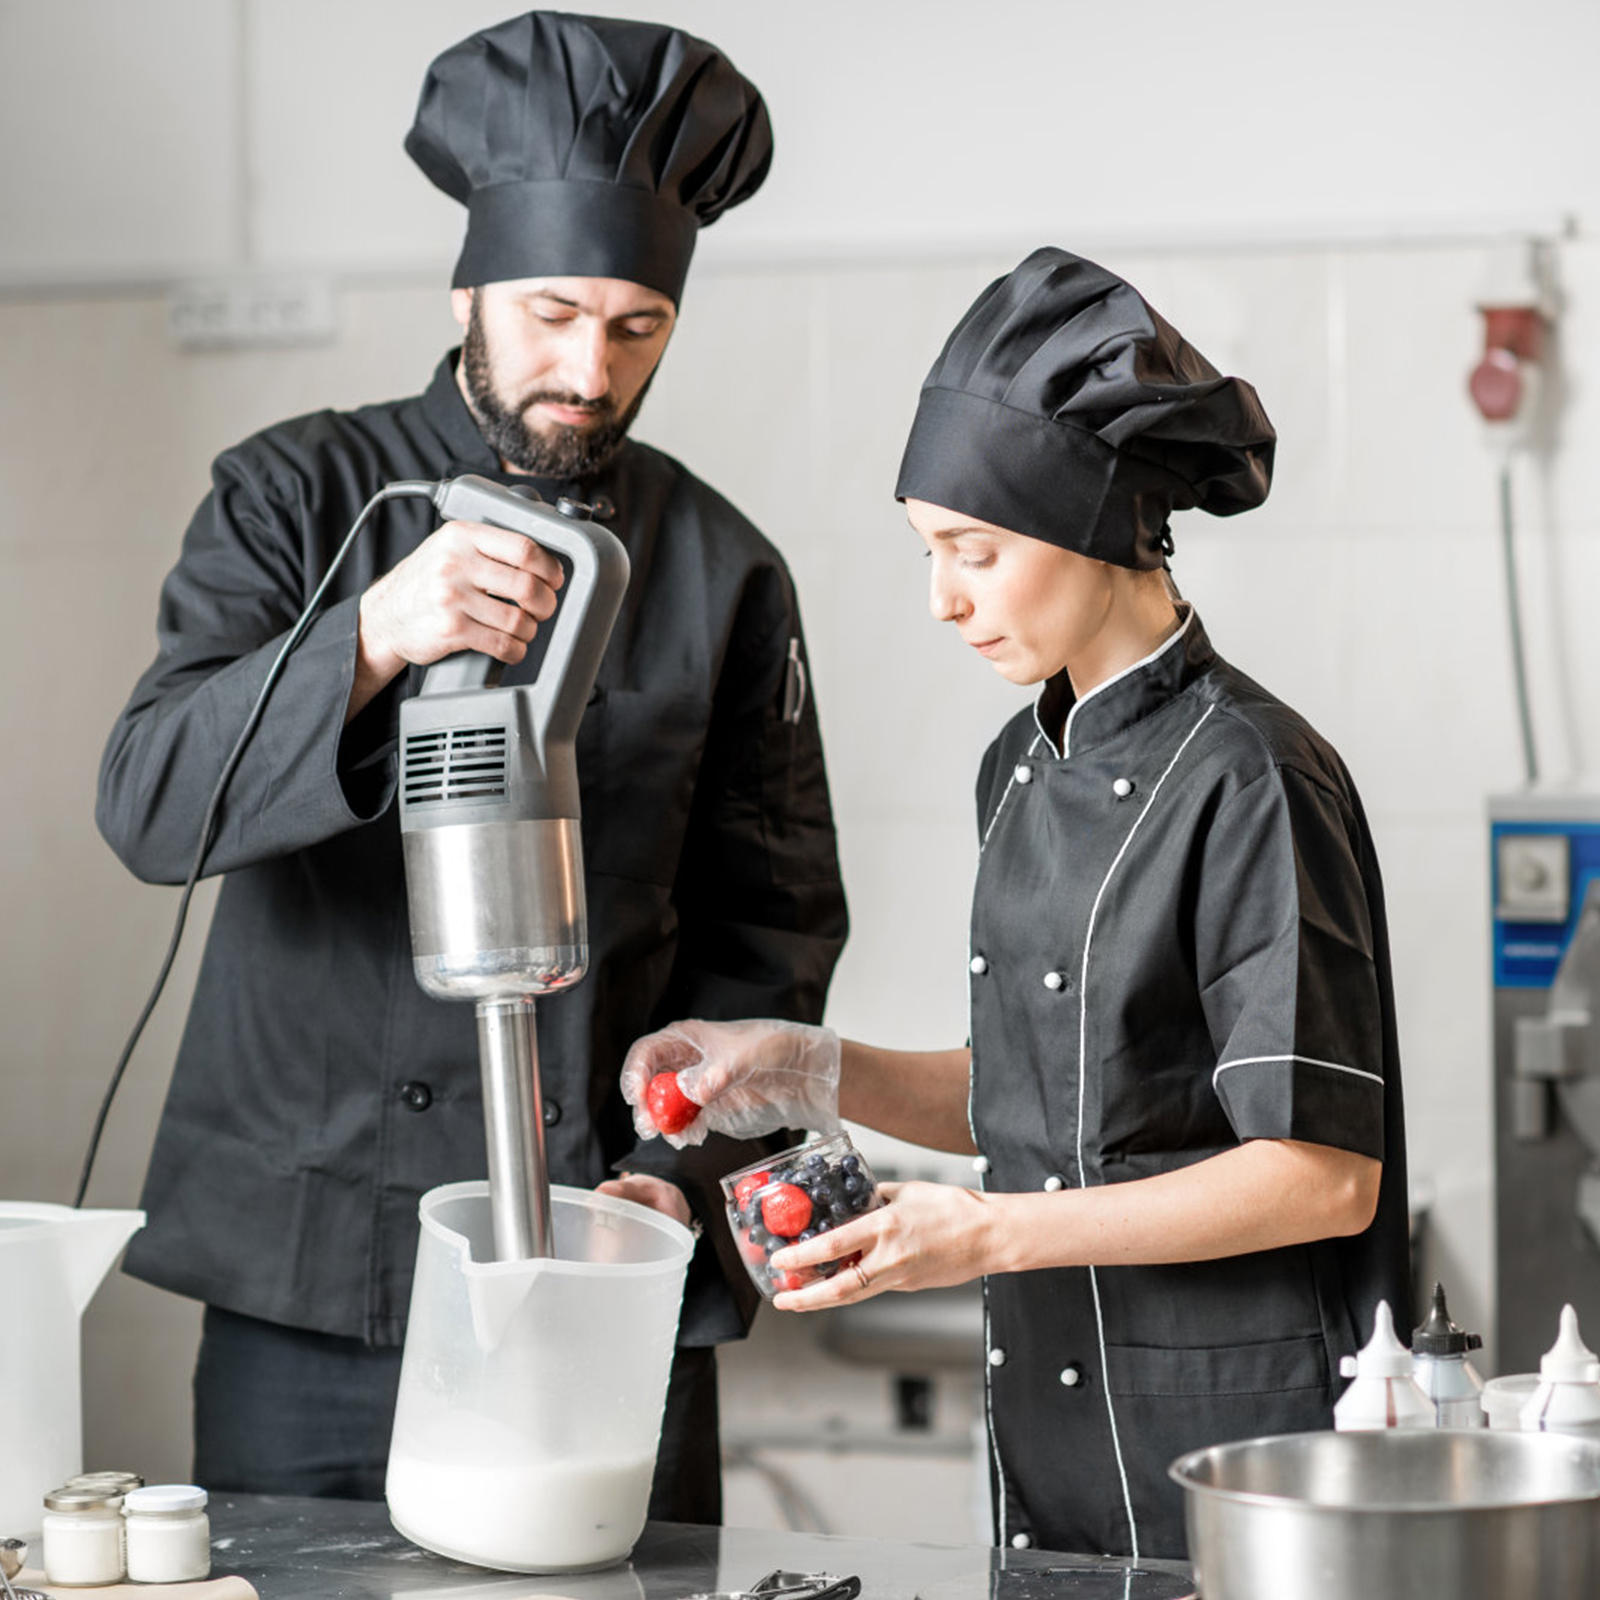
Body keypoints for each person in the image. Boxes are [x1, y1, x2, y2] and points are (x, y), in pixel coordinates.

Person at [94, 12, 846, 1521]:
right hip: (304, 1286)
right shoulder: (293, 498)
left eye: (637, 328)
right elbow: (150, 805)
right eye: (554, 313)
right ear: (473, 287)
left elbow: (770, 940)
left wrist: (677, 1186)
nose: (588, 368)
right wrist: (370, 637)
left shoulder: (722, 570)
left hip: (592, 1273)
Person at [622, 248, 1411, 1559]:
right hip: (1049, 1469)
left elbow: (1320, 1175)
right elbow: (1047, 1095)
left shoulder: (1255, 777)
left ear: (1096, 528)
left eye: (974, 552)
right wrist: (808, 1069)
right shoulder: (1020, 766)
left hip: (1229, 1463)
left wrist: (986, 1231)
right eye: (931, 552)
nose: (942, 599)